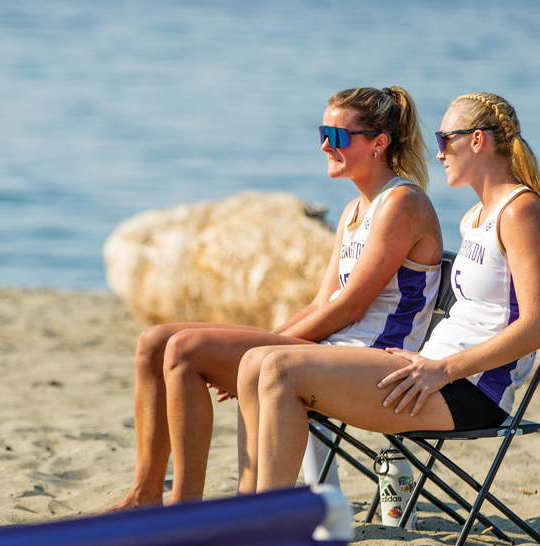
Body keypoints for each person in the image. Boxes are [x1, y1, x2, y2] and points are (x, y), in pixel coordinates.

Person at [105, 87, 444, 511]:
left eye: (339, 136)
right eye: (323, 132)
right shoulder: (356, 211)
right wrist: (265, 341)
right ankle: (145, 495)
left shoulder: (403, 203)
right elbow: (323, 303)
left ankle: (182, 512)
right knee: (154, 341)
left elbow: (350, 307)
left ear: (379, 143)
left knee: (185, 350)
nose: (325, 144)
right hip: (335, 349)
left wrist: (263, 347)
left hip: (373, 359)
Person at [241, 92, 540, 493]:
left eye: (444, 140)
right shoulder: (478, 217)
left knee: (281, 370)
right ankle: (260, 512)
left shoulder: (522, 213)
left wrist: (442, 369)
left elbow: (539, 327)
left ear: (476, 140)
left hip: (468, 390)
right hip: (429, 372)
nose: (438, 154)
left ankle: (268, 523)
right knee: (262, 363)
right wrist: (431, 366)